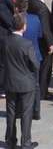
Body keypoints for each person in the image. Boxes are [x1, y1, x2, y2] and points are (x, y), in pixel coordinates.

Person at [4, 13, 39, 149]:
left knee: (11, 112)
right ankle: (26, 143)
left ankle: (10, 141)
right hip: (26, 83)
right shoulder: (27, 44)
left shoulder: (5, 41)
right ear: (23, 27)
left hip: (10, 82)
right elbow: (35, 64)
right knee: (26, 113)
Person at [27, 0, 53, 101]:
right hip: (43, 42)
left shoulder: (31, 1)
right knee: (45, 67)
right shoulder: (41, 8)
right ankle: (43, 92)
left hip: (34, 39)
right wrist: (50, 44)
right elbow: (45, 27)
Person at [17, 0, 42, 122]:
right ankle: (36, 111)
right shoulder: (35, 19)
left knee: (18, 83)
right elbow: (39, 35)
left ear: (17, 8)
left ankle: (19, 111)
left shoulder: (15, 20)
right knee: (36, 84)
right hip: (34, 54)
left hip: (19, 56)